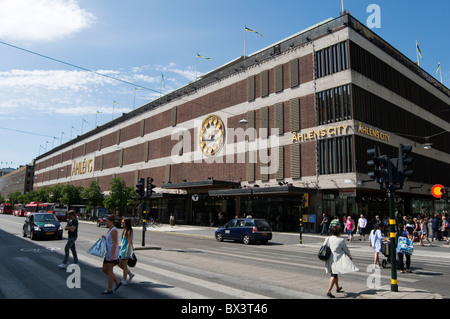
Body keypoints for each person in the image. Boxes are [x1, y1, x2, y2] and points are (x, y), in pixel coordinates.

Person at [323, 226, 359, 298]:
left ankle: (337, 288)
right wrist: (350, 256)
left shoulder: (328, 238)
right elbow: (346, 249)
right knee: (333, 274)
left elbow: (324, 246)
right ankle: (329, 291)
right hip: (337, 259)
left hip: (329, 258)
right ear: (339, 232)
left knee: (335, 273)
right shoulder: (341, 240)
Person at [101, 215, 121, 294]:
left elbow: (115, 243)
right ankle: (117, 282)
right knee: (104, 269)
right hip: (108, 252)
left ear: (111, 222)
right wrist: (105, 237)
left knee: (109, 271)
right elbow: (110, 240)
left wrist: (112, 255)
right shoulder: (110, 230)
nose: (106, 222)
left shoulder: (114, 230)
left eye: (107, 221)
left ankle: (109, 289)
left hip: (111, 253)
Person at [118, 218, 135, 285]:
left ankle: (124, 279)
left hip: (126, 250)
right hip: (122, 250)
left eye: (123, 222)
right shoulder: (124, 230)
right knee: (118, 263)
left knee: (124, 265)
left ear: (126, 223)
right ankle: (130, 274)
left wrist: (127, 253)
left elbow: (129, 243)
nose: (121, 223)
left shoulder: (129, 231)